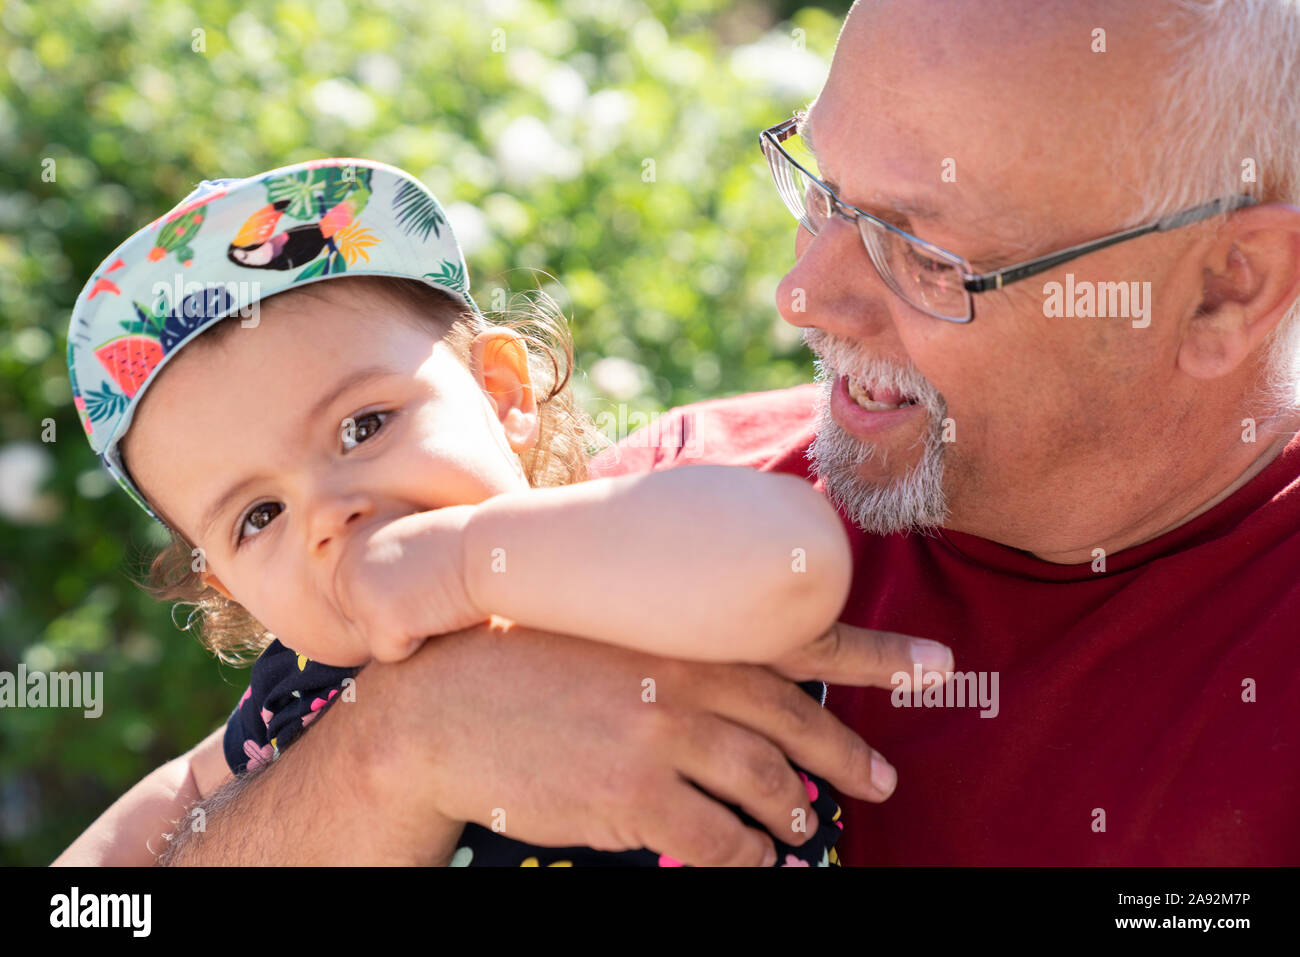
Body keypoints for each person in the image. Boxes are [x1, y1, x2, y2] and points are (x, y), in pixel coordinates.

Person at [58, 0, 1300, 867]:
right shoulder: (625, 508)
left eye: (920, 249)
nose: (801, 294)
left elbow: (771, 562)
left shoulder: (638, 546)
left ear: (1225, 290)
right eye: (818, 189)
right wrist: (394, 754)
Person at [60, 156, 871, 866]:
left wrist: (467, 562)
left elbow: (796, 554)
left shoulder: (607, 551)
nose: (327, 516)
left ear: (502, 392)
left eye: (363, 426)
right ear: (229, 587)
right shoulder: (296, 702)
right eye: (258, 515)